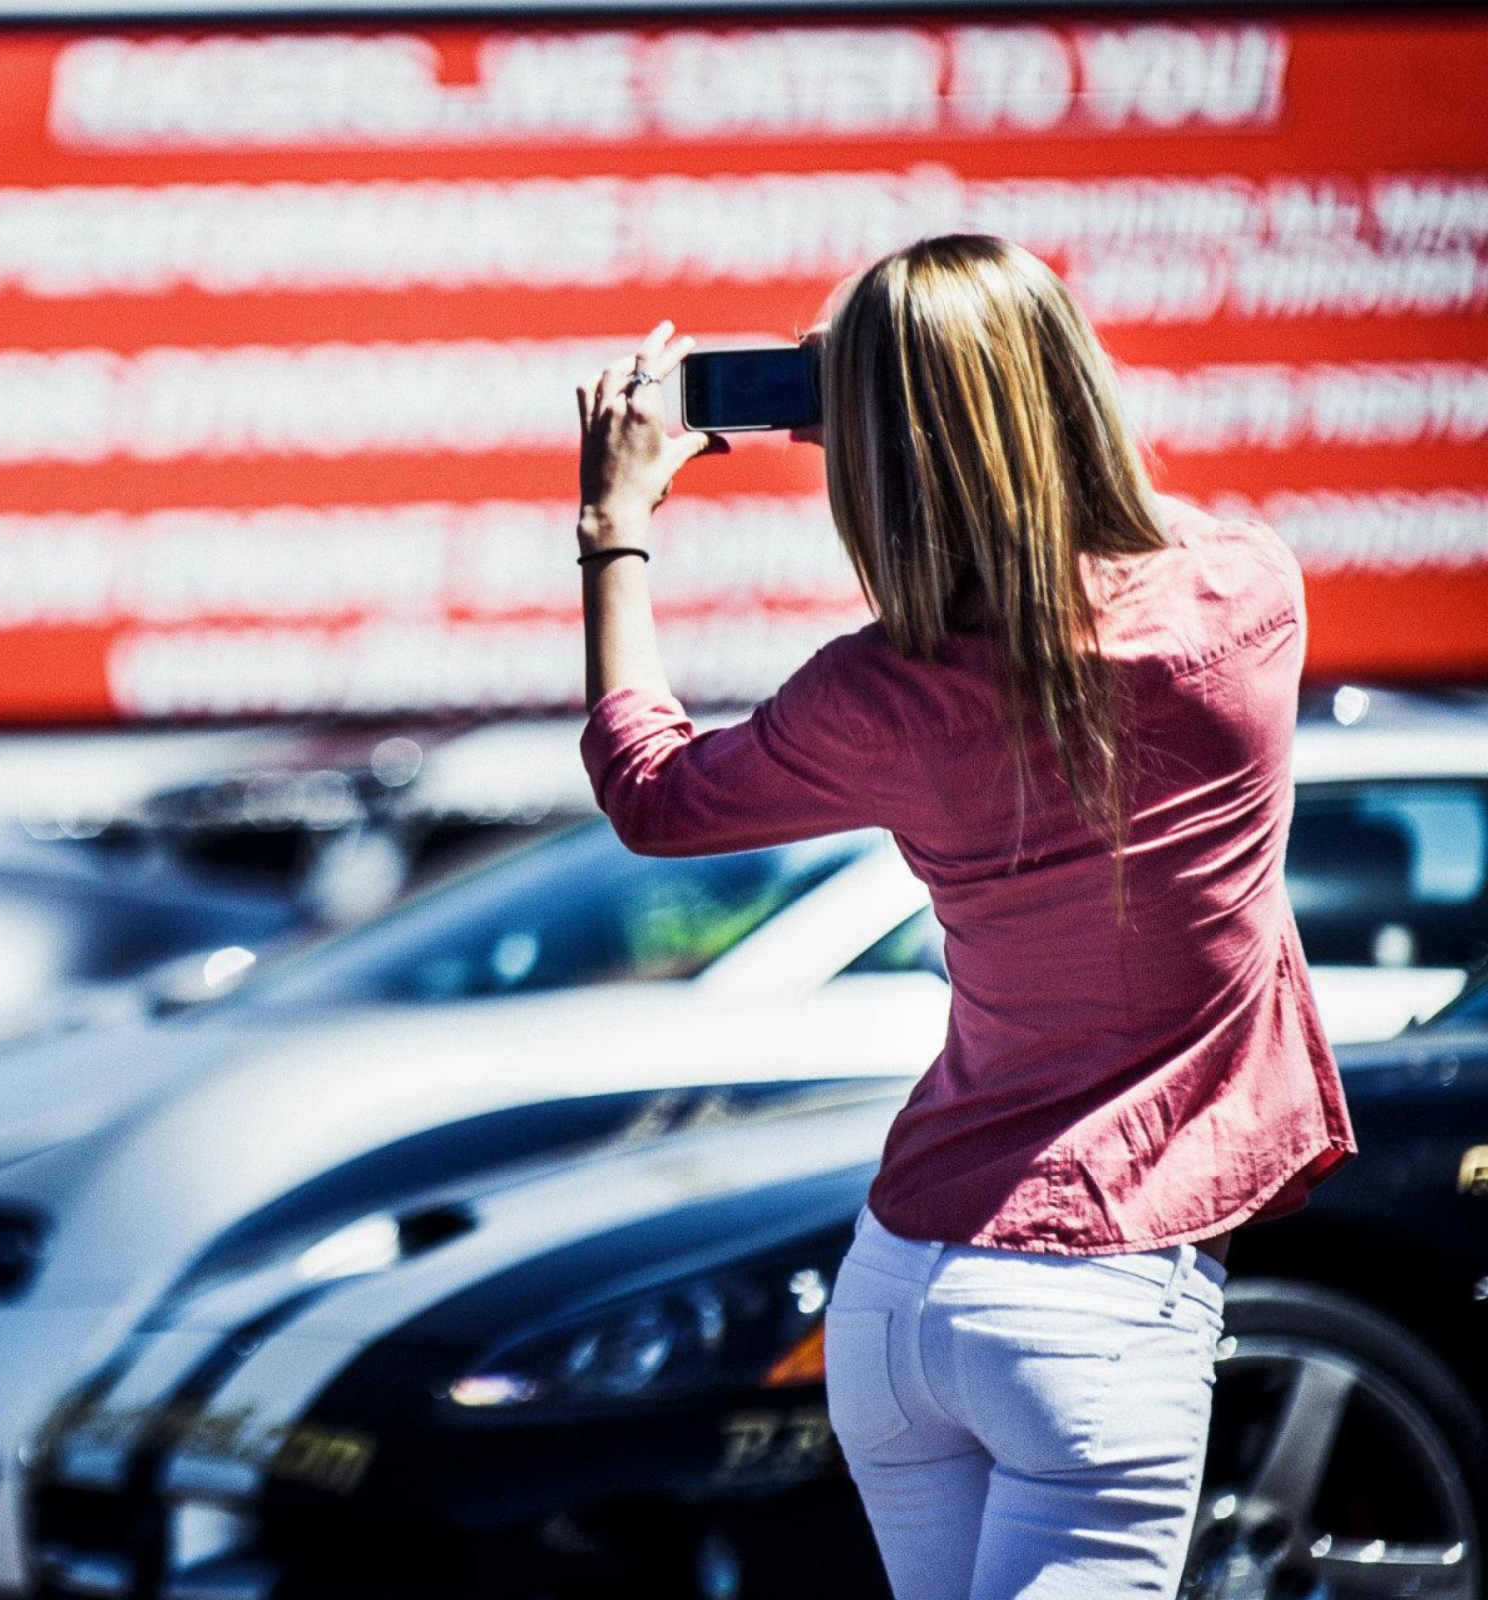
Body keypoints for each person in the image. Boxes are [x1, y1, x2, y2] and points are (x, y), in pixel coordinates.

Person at [571, 233, 1354, 1600]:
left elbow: (651, 793)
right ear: (1070, 389)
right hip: (1102, 1297)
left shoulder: (877, 695)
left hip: (899, 1294)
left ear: (861, 447)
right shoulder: (1244, 605)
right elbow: (1131, 526)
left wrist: (614, 530)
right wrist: (933, 400)